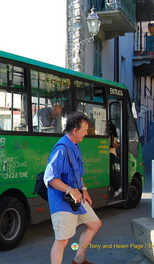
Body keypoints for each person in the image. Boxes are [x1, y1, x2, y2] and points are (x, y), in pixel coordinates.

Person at [44, 112, 102, 264]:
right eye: (84, 130)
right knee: (62, 240)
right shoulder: (61, 149)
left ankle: (78, 260)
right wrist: (71, 190)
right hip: (63, 201)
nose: (87, 133)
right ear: (75, 130)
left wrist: (84, 190)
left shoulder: (75, 146)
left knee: (95, 224)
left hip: (76, 198)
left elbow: (77, 173)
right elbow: (50, 178)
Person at [109, 121, 122, 197]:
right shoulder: (110, 133)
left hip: (111, 154)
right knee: (111, 172)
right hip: (112, 154)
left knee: (111, 172)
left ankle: (116, 188)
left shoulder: (109, 134)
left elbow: (114, 145)